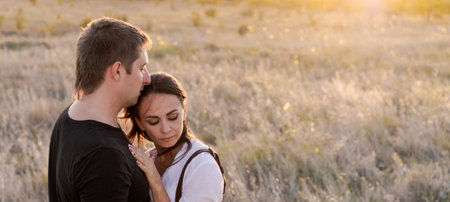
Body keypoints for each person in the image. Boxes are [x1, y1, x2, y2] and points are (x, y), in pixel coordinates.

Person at [48, 17, 152, 201]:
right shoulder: (105, 155)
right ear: (117, 70)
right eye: (141, 68)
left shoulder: (71, 115)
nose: (147, 79)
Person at [123, 72, 225, 202]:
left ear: (185, 110)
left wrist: (157, 184)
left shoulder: (202, 166)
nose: (165, 129)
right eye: (153, 121)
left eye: (172, 117)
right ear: (140, 123)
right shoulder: (148, 159)